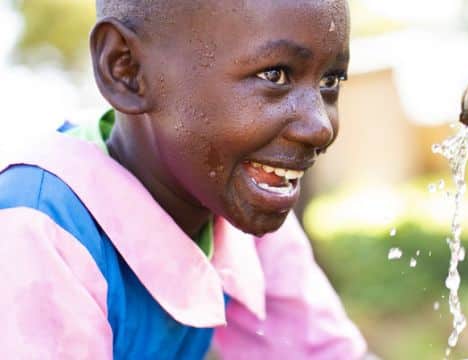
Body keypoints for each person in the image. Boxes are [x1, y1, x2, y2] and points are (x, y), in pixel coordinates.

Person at [0, 0, 370, 358]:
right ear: (126, 69)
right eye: (274, 75)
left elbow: (322, 351)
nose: (319, 127)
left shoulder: (234, 206)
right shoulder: (39, 228)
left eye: (329, 81)